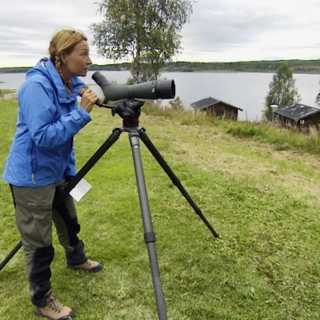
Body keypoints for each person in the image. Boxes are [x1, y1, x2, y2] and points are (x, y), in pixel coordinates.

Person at [3, 29, 102, 320]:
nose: (89, 60)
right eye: (83, 54)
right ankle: (43, 300)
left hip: (58, 171)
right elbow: (43, 137)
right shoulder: (36, 87)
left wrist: (87, 95)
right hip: (32, 177)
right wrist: (81, 113)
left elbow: (78, 90)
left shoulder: (67, 80)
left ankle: (76, 258)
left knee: (69, 220)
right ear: (62, 56)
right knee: (38, 242)